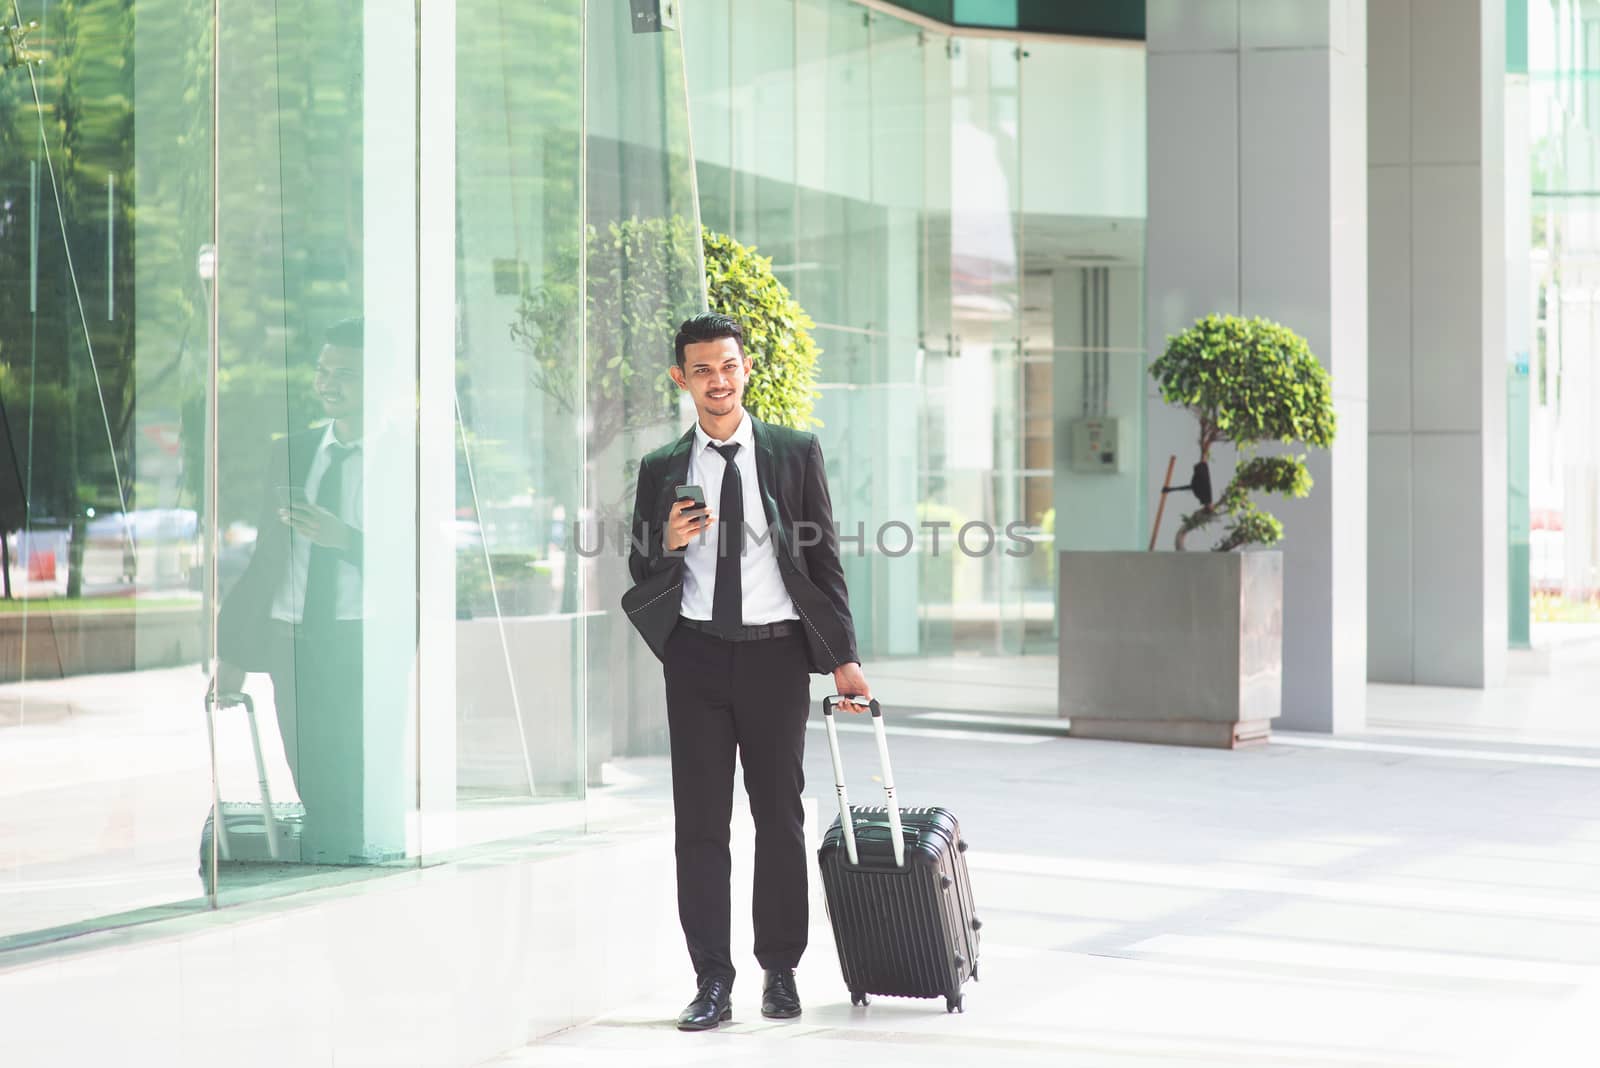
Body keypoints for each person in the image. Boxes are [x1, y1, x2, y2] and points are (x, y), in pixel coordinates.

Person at [623, 312, 872, 1031]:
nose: (718, 380)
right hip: (697, 657)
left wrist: (844, 661)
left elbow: (823, 561)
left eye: (728, 366)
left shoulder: (793, 453)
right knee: (699, 826)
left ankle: (781, 970)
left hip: (776, 657)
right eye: (702, 369)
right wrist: (667, 543)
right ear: (682, 379)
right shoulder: (662, 468)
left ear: (746, 369)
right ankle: (711, 980)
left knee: (778, 817)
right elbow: (642, 569)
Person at [210, 317, 367, 863]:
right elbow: (267, 558)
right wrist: (233, 653)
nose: (328, 384)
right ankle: (330, 871)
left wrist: (342, 538)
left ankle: (351, 869)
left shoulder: (404, 458)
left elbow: (415, 560)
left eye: (344, 374)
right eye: (324, 371)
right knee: (309, 771)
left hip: (358, 635)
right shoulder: (293, 450)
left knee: (355, 772)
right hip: (289, 634)